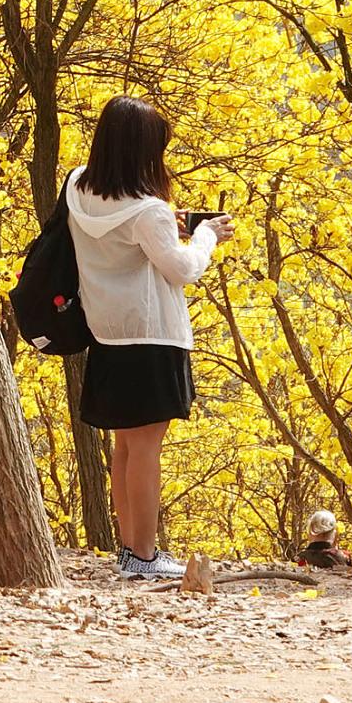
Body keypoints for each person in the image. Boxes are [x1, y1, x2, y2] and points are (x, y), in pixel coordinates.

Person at [61, 95, 233, 580]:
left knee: (125, 445)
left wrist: (166, 226)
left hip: (106, 333)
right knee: (147, 447)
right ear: (143, 153)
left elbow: (120, 233)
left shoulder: (77, 187)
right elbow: (182, 269)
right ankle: (144, 555)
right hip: (152, 336)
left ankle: (129, 549)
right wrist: (205, 237)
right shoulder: (149, 211)